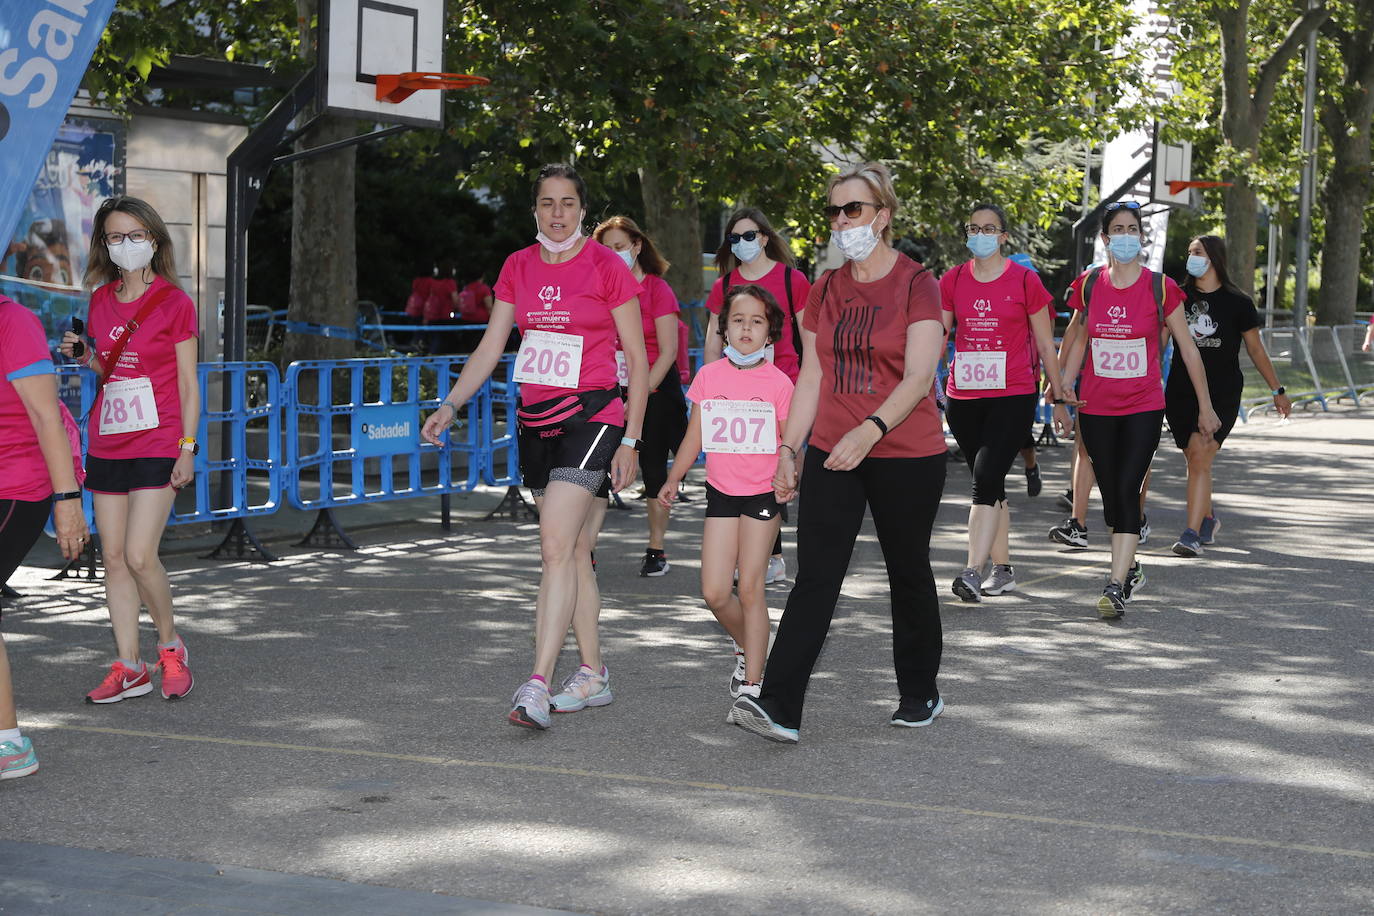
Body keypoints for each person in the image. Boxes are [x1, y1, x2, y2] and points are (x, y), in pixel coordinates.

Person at [420, 163, 648, 730]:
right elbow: (492, 345)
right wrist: (449, 405)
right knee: (572, 553)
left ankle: (538, 682)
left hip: (595, 415)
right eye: (547, 203)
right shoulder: (517, 267)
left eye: (568, 203)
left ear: (582, 210)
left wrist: (634, 440)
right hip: (536, 421)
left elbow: (639, 361)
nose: (557, 213)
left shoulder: (606, 266)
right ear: (534, 211)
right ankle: (593, 672)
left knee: (552, 548)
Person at [729, 162, 948, 743]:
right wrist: (788, 449)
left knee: (908, 571)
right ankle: (777, 705)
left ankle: (919, 691)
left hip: (906, 450)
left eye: (854, 209)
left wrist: (870, 430)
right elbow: (811, 377)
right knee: (817, 576)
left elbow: (920, 376)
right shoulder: (823, 289)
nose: (842, 220)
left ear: (883, 215)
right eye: (834, 210)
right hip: (832, 449)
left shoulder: (917, 283)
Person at [60, 196, 200, 702]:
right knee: (114, 558)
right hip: (108, 441)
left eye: (135, 235)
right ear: (104, 244)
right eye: (115, 237)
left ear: (155, 240)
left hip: (159, 440)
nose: (125, 244)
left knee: (142, 555)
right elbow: (107, 371)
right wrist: (85, 355)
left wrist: (187, 447)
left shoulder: (175, 302)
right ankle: (129, 665)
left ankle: (170, 647)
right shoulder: (99, 300)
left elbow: (189, 385)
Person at [1054, 202, 1219, 618]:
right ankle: (1131, 567)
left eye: (1133, 229)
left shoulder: (1160, 287)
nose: (1126, 236)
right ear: (1106, 239)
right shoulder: (1090, 285)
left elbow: (1188, 349)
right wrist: (1061, 396)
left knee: (1128, 488)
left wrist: (1205, 406)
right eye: (1117, 230)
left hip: (1144, 406)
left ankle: (1115, 584)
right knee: (1111, 496)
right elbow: (1078, 343)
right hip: (1095, 406)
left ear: (1141, 237)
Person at [657, 285, 793, 704]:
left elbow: (790, 443)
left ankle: (753, 685)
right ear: (724, 329)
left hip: (761, 495)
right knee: (715, 592)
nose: (746, 328)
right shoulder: (708, 376)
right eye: (738, 320)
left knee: (750, 587)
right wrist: (673, 477)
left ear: (770, 332)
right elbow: (694, 436)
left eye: (756, 321)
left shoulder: (780, 383)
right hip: (720, 493)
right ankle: (751, 645)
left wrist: (790, 475)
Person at [940, 203, 1073, 602]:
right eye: (973, 227)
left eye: (989, 229)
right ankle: (1003, 569)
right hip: (962, 396)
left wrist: (1060, 395)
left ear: (1003, 237)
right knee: (991, 481)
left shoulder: (1025, 281)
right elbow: (939, 336)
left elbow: (1047, 345)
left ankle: (971, 571)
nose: (980, 235)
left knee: (984, 476)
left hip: (1013, 392)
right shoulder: (952, 280)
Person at [1, 295, 90, 778]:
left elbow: (45, 417)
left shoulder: (12, 321)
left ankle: (8, 745)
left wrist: (68, 500)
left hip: (15, 485)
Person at [704, 208, 812, 585]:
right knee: (751, 475)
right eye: (735, 238)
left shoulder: (792, 280)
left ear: (765, 238)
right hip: (738, 396)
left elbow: (808, 339)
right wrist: (713, 390)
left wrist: (810, 389)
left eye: (749, 236)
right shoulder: (724, 285)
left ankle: (782, 555)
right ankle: (769, 556)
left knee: (785, 471)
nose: (742, 244)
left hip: (785, 389)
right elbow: (712, 343)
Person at [1167, 235, 1292, 556]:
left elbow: (1255, 349)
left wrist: (1277, 390)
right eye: (1189, 251)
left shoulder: (1239, 303)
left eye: (1197, 252)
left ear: (1214, 258)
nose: (1191, 257)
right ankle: (1207, 518)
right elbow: (1157, 342)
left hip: (1222, 392)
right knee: (1195, 460)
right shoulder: (1176, 298)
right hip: (1181, 392)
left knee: (1199, 455)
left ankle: (1191, 534)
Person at [593, 216, 687, 577]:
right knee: (594, 470)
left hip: (657, 391)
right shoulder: (599, 287)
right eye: (607, 248)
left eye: (620, 246)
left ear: (636, 246)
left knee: (652, 469)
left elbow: (667, 352)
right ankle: (586, 549)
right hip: (607, 389)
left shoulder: (657, 289)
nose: (614, 254)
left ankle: (656, 549)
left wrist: (639, 394)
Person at [424, 259, 459, 354]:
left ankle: (431, 360)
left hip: (433, 315)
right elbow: (455, 300)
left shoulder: (434, 283)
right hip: (446, 316)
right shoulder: (450, 283)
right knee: (445, 340)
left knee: (435, 338)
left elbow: (430, 299)